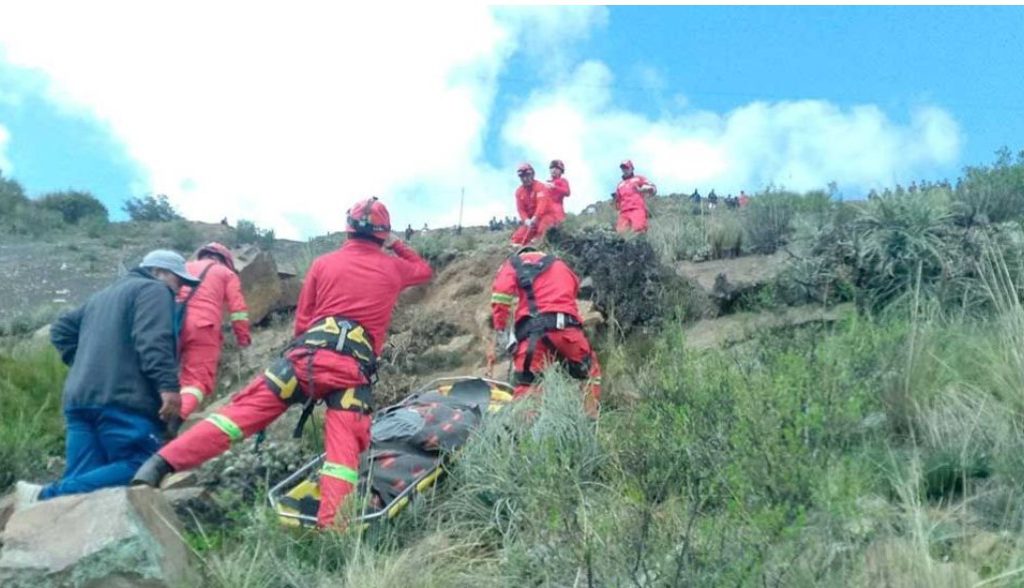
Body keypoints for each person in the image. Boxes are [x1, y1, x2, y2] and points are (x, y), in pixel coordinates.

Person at [133, 197, 432, 529]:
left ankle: (158, 465)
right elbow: (424, 269)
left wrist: (307, 369)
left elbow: (303, 320)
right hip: (351, 369)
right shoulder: (393, 267)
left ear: (348, 229)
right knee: (342, 453)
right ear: (382, 233)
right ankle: (334, 530)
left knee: (237, 416)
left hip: (303, 359)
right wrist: (396, 243)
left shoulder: (322, 264)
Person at [13, 250, 197, 505]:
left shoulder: (101, 296)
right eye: (180, 281)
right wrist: (167, 385)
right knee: (143, 463)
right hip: (123, 400)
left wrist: (86, 363)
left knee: (84, 484)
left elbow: (61, 330)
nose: (180, 290)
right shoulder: (154, 290)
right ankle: (44, 496)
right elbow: (154, 341)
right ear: (159, 272)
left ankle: (53, 523)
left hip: (80, 400)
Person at [487, 246, 601, 416]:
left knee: (527, 385)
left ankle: (530, 436)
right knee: (590, 374)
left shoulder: (513, 264)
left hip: (532, 337)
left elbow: (500, 297)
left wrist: (501, 330)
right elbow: (572, 291)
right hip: (568, 332)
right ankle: (591, 421)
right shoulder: (561, 266)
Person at [177, 242, 251, 420]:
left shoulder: (183, 267)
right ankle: (171, 424)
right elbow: (238, 309)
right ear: (225, 260)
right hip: (203, 327)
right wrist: (243, 338)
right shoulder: (226, 273)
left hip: (170, 323)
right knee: (196, 382)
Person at [613, 160, 657, 234]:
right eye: (623, 168)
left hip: (637, 210)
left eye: (627, 168)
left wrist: (645, 189)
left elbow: (653, 189)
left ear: (632, 168)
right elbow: (617, 202)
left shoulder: (639, 178)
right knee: (620, 235)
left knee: (639, 231)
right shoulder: (620, 185)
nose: (625, 170)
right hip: (624, 213)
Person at [511, 163, 546, 246]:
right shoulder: (519, 192)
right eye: (522, 177)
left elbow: (542, 204)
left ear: (532, 175)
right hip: (530, 222)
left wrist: (535, 217)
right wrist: (526, 220)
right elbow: (521, 210)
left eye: (527, 175)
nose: (525, 179)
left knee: (543, 231)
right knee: (517, 239)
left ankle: (538, 241)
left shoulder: (540, 187)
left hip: (544, 218)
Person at [534, 159, 570, 238]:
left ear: (561, 171)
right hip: (545, 213)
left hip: (557, 212)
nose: (554, 170)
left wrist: (554, 187)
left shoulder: (562, 181)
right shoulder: (546, 183)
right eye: (552, 168)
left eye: (557, 168)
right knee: (540, 232)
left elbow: (567, 192)